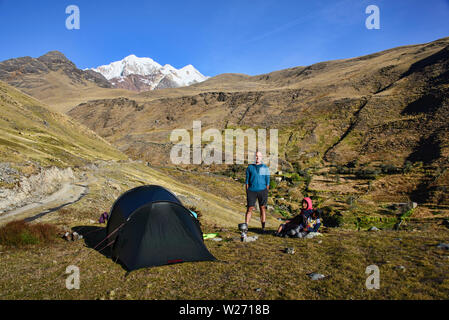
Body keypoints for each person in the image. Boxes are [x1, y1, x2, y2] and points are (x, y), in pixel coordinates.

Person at [245, 151, 270, 233]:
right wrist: (248, 192)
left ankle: (263, 228)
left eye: (259, 156)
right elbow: (247, 182)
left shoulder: (265, 168)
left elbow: (267, 181)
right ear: (254, 157)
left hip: (262, 191)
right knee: (250, 208)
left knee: (262, 208)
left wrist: (265, 191)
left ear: (261, 157)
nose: (257, 157)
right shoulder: (250, 168)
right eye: (256, 156)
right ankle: (245, 227)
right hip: (252, 191)